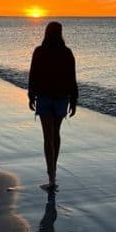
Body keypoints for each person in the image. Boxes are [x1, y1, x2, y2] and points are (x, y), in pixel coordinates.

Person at [28, 21, 78, 189]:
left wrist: (31, 95)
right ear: (60, 33)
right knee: (55, 134)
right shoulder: (66, 53)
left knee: (48, 137)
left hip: (45, 98)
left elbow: (33, 74)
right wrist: (74, 100)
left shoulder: (40, 51)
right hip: (61, 98)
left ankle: (51, 177)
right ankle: (53, 173)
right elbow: (72, 79)